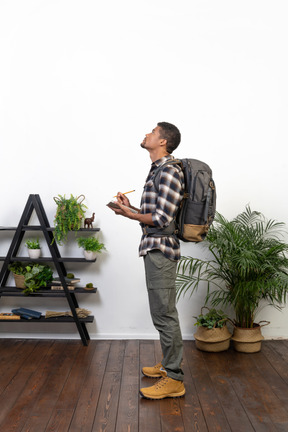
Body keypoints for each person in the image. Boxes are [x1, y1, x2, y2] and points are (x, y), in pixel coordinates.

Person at [108, 122, 185, 400]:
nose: (146, 134)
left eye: (152, 131)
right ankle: (167, 365)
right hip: (154, 246)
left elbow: (163, 220)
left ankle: (175, 377)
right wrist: (129, 210)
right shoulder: (157, 170)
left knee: (164, 314)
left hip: (161, 250)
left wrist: (131, 216)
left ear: (163, 141)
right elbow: (155, 214)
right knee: (161, 312)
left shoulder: (170, 172)